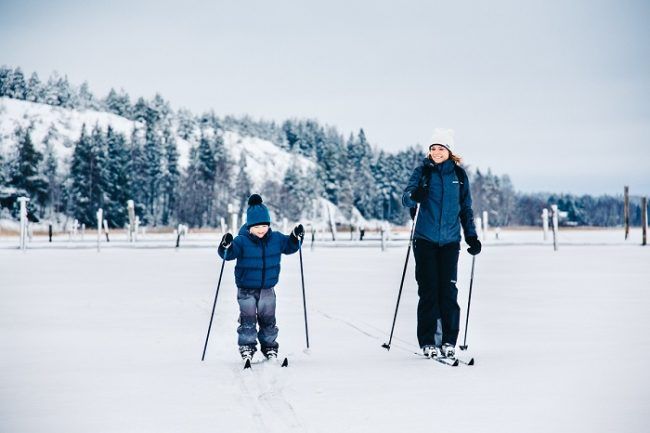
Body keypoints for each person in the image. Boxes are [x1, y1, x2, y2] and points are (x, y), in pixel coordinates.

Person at [401, 128, 482, 359]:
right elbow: (406, 197)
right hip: (424, 239)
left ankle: (448, 341)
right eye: (433, 148)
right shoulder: (422, 172)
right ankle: (428, 341)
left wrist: (472, 236)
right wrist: (416, 196)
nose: (436, 152)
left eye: (441, 148)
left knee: (448, 291)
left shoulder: (459, 175)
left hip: (450, 241)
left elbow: (465, 209)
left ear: (449, 151)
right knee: (428, 291)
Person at [218, 194, 304, 361]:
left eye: (264, 225)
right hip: (246, 288)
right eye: (257, 227)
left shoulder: (276, 239)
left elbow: (290, 246)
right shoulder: (241, 241)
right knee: (248, 319)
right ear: (249, 226)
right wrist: (225, 245)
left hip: (267, 289)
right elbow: (228, 254)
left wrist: (295, 236)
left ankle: (270, 347)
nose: (261, 230)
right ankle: (247, 347)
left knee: (268, 319)